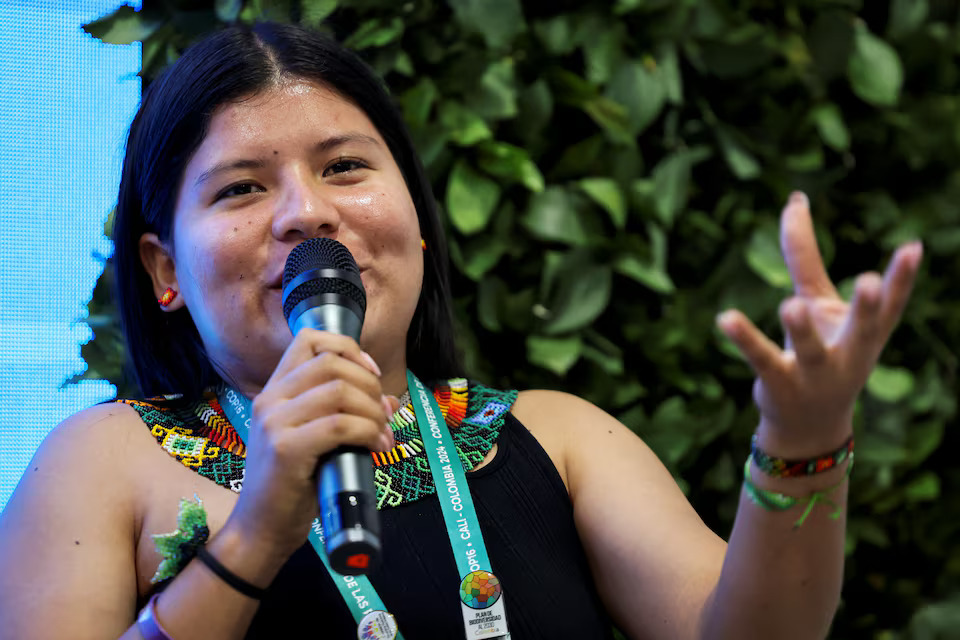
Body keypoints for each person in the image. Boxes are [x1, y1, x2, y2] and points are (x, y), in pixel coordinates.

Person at [0, 21, 922, 640]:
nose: (305, 215)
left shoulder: (558, 437)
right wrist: (254, 534)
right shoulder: (99, 463)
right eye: (242, 187)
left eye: (346, 167)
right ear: (165, 270)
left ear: (418, 222)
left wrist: (802, 441)